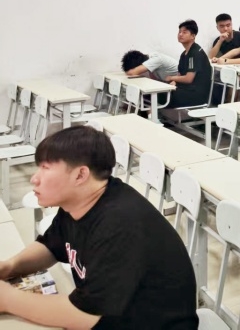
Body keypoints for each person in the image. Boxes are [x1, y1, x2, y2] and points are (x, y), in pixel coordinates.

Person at [0, 126, 198, 328]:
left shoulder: (120, 224)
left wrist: (8, 299)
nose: (34, 178)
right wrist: (9, 267)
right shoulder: (78, 202)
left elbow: (85, 315)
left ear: (80, 175)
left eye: (45, 168)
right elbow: (51, 246)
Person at [164, 20, 212, 108]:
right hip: (185, 89)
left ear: (193, 36)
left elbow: (188, 79)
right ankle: (151, 114)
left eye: (184, 32)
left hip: (196, 94)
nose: (180, 34)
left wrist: (171, 78)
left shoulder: (195, 52)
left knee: (158, 94)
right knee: (159, 89)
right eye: (179, 32)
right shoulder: (184, 54)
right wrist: (174, 81)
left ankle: (151, 115)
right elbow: (179, 75)